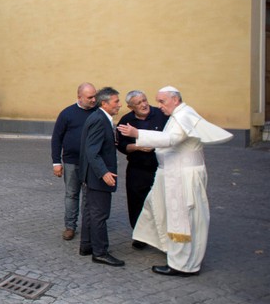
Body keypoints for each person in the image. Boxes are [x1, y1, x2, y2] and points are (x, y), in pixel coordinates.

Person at [118, 86, 232, 276]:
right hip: (172, 174)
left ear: (175, 100)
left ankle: (182, 265)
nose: (158, 106)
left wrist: (138, 134)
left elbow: (172, 139)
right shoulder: (178, 114)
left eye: (162, 101)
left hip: (181, 176)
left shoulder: (183, 115)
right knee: (155, 207)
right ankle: (172, 251)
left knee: (182, 219)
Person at [115, 90, 169, 249]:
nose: (144, 104)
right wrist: (136, 147)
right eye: (138, 103)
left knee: (161, 201)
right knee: (136, 202)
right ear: (131, 107)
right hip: (137, 168)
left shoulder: (161, 115)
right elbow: (122, 145)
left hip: (160, 166)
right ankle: (140, 235)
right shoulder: (126, 121)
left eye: (144, 100)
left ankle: (162, 236)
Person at [78, 87, 123, 266]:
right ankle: (100, 252)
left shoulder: (99, 117)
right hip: (98, 176)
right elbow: (92, 151)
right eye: (116, 101)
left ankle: (87, 245)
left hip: (93, 175)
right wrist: (104, 173)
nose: (119, 105)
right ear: (104, 103)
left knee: (91, 212)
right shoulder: (99, 119)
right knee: (99, 214)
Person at [51, 82, 97, 240]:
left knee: (88, 196)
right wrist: (56, 162)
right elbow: (56, 138)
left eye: (94, 96)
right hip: (71, 162)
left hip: (91, 163)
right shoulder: (67, 113)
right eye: (89, 97)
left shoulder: (98, 113)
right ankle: (70, 226)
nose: (93, 100)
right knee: (71, 194)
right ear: (79, 97)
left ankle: (88, 226)